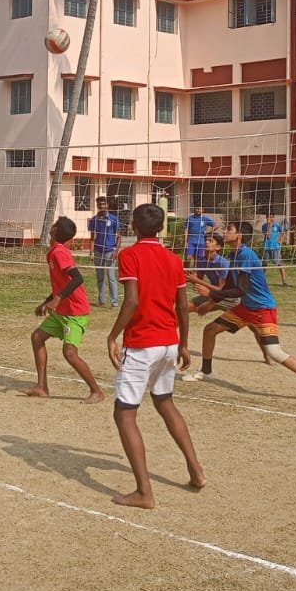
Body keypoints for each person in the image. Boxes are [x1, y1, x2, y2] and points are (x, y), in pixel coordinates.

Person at [106, 202, 204, 508]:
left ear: (133, 227)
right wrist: (184, 344)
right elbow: (182, 307)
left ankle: (144, 493)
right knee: (165, 403)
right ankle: (196, 470)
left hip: (143, 344)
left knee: (124, 413)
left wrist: (113, 335)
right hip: (168, 343)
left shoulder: (130, 255)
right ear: (161, 229)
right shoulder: (173, 260)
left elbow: (132, 300)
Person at [184, 221, 296, 405]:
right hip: (246, 308)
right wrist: (211, 302)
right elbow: (231, 285)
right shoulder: (235, 254)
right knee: (210, 330)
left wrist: (211, 294)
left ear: (239, 235)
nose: (225, 232)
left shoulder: (246, 255)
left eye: (229, 230)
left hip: (262, 309)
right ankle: (206, 371)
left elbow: (240, 290)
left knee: (275, 352)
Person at [23, 216, 104, 403]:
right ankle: (42, 387)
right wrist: (47, 301)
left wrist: (56, 299)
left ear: (55, 232)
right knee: (37, 338)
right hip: (62, 310)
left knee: (69, 353)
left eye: (54, 226)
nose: (51, 227)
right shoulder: (54, 251)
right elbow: (61, 283)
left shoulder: (60, 252)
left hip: (75, 312)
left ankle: (96, 391)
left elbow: (77, 279)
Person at [86, 195, 121, 307]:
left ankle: (114, 302)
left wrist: (116, 251)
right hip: (98, 251)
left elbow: (119, 236)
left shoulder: (113, 219)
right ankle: (101, 300)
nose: (101, 206)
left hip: (110, 251)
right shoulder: (94, 220)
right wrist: (91, 252)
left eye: (103, 204)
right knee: (100, 277)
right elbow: (92, 237)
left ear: (107, 205)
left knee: (111, 277)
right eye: (99, 204)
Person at [187, 232, 231, 317]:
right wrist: (189, 278)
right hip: (213, 295)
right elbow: (198, 281)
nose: (206, 242)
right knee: (183, 307)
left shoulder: (222, 263)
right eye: (206, 240)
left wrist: (196, 280)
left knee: (249, 321)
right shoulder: (202, 260)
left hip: (229, 297)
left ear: (218, 247)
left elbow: (220, 289)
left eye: (210, 241)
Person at [182, 204, 215, 268]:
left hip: (201, 241)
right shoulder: (190, 218)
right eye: (197, 208)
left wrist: (208, 231)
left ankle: (195, 272)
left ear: (203, 210)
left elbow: (215, 225)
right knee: (188, 257)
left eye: (200, 209)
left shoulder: (205, 218)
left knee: (198, 258)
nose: (198, 210)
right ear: (195, 209)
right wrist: (185, 241)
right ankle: (185, 270)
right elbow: (186, 230)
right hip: (191, 240)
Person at [260, 213, 288, 285]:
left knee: (280, 264)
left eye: (271, 217)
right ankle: (261, 280)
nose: (270, 219)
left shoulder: (277, 225)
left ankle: (284, 281)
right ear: (266, 218)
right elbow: (268, 236)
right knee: (264, 264)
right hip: (267, 247)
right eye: (268, 217)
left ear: (273, 218)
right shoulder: (264, 226)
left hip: (275, 247)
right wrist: (269, 226)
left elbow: (283, 233)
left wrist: (280, 241)